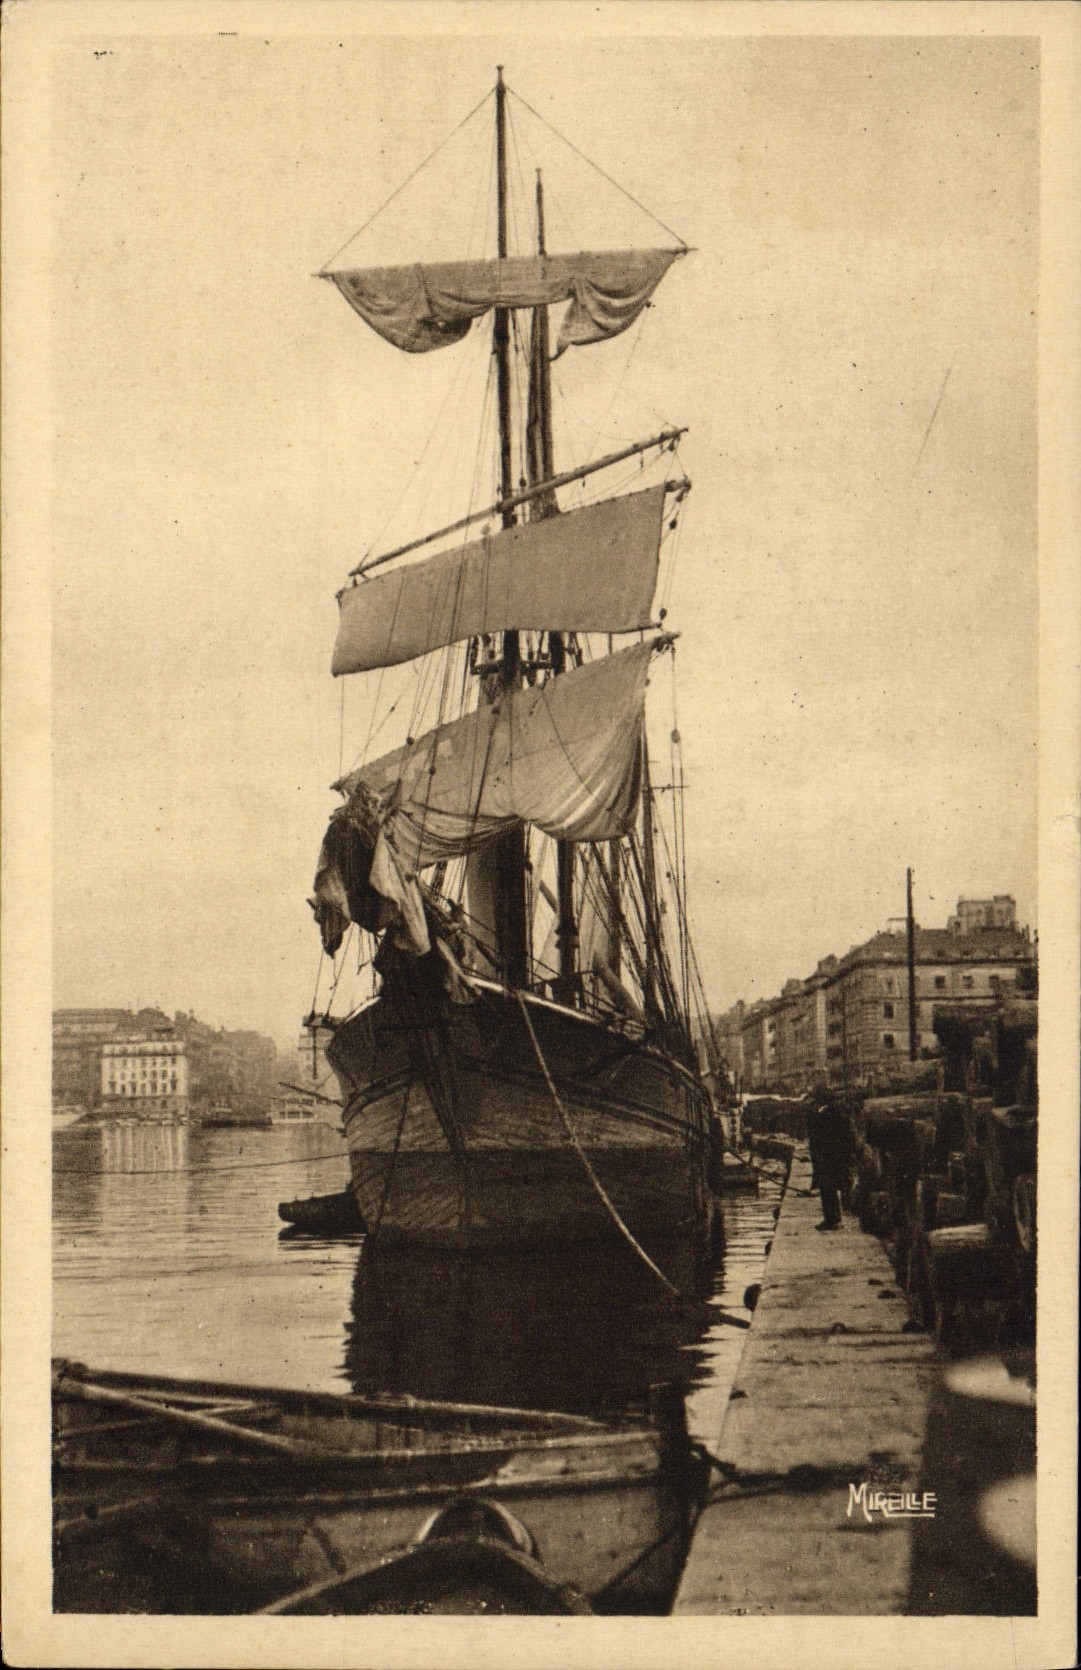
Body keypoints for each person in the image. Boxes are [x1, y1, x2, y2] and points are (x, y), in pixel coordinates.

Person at [808, 1098, 853, 1231]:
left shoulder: (823, 1116)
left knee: (826, 1189)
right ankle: (836, 1218)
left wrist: (816, 1154)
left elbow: (816, 1138)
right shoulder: (840, 1116)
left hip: (826, 1158)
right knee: (833, 1188)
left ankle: (830, 1220)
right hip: (836, 1158)